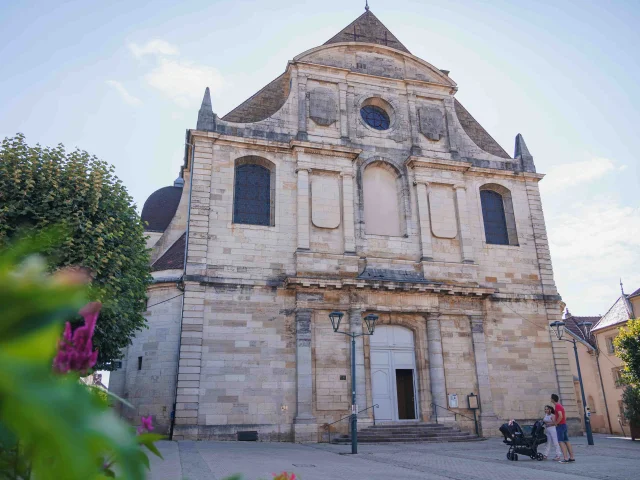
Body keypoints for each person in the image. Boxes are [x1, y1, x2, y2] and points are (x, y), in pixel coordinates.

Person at [551, 393, 575, 463]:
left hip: (560, 426)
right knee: (566, 441)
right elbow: (564, 416)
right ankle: (572, 457)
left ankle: (565, 458)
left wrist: (556, 423)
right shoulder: (560, 406)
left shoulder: (557, 406)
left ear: (552, 399)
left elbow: (560, 416)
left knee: (561, 441)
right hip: (563, 425)